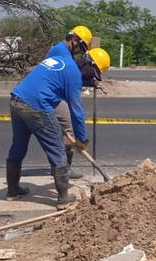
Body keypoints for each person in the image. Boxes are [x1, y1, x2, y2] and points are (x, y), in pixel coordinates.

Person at [6, 47, 110, 208]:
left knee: (18, 145)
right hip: (36, 105)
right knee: (57, 149)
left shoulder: (64, 60)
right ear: (90, 64)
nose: (92, 76)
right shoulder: (73, 74)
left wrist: (88, 82)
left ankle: (12, 191)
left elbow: (62, 79)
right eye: (93, 73)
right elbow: (76, 111)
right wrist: (82, 139)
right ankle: (63, 198)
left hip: (17, 99)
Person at [46, 25, 93, 179]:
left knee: (65, 129)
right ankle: (63, 169)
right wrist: (82, 138)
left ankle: (60, 167)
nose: (80, 51)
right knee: (69, 127)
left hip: (53, 91)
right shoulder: (63, 53)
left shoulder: (61, 49)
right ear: (74, 40)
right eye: (81, 47)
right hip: (52, 94)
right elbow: (76, 108)